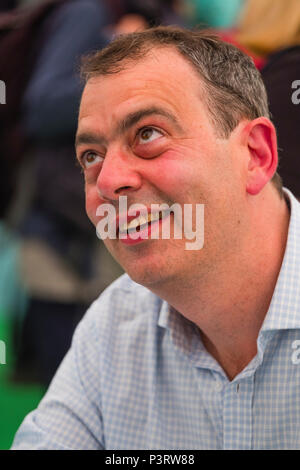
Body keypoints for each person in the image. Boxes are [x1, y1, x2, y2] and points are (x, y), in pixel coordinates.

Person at [11, 26, 300, 450]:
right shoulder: (116, 323)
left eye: (147, 134)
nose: (108, 182)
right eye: (91, 156)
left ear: (255, 155)